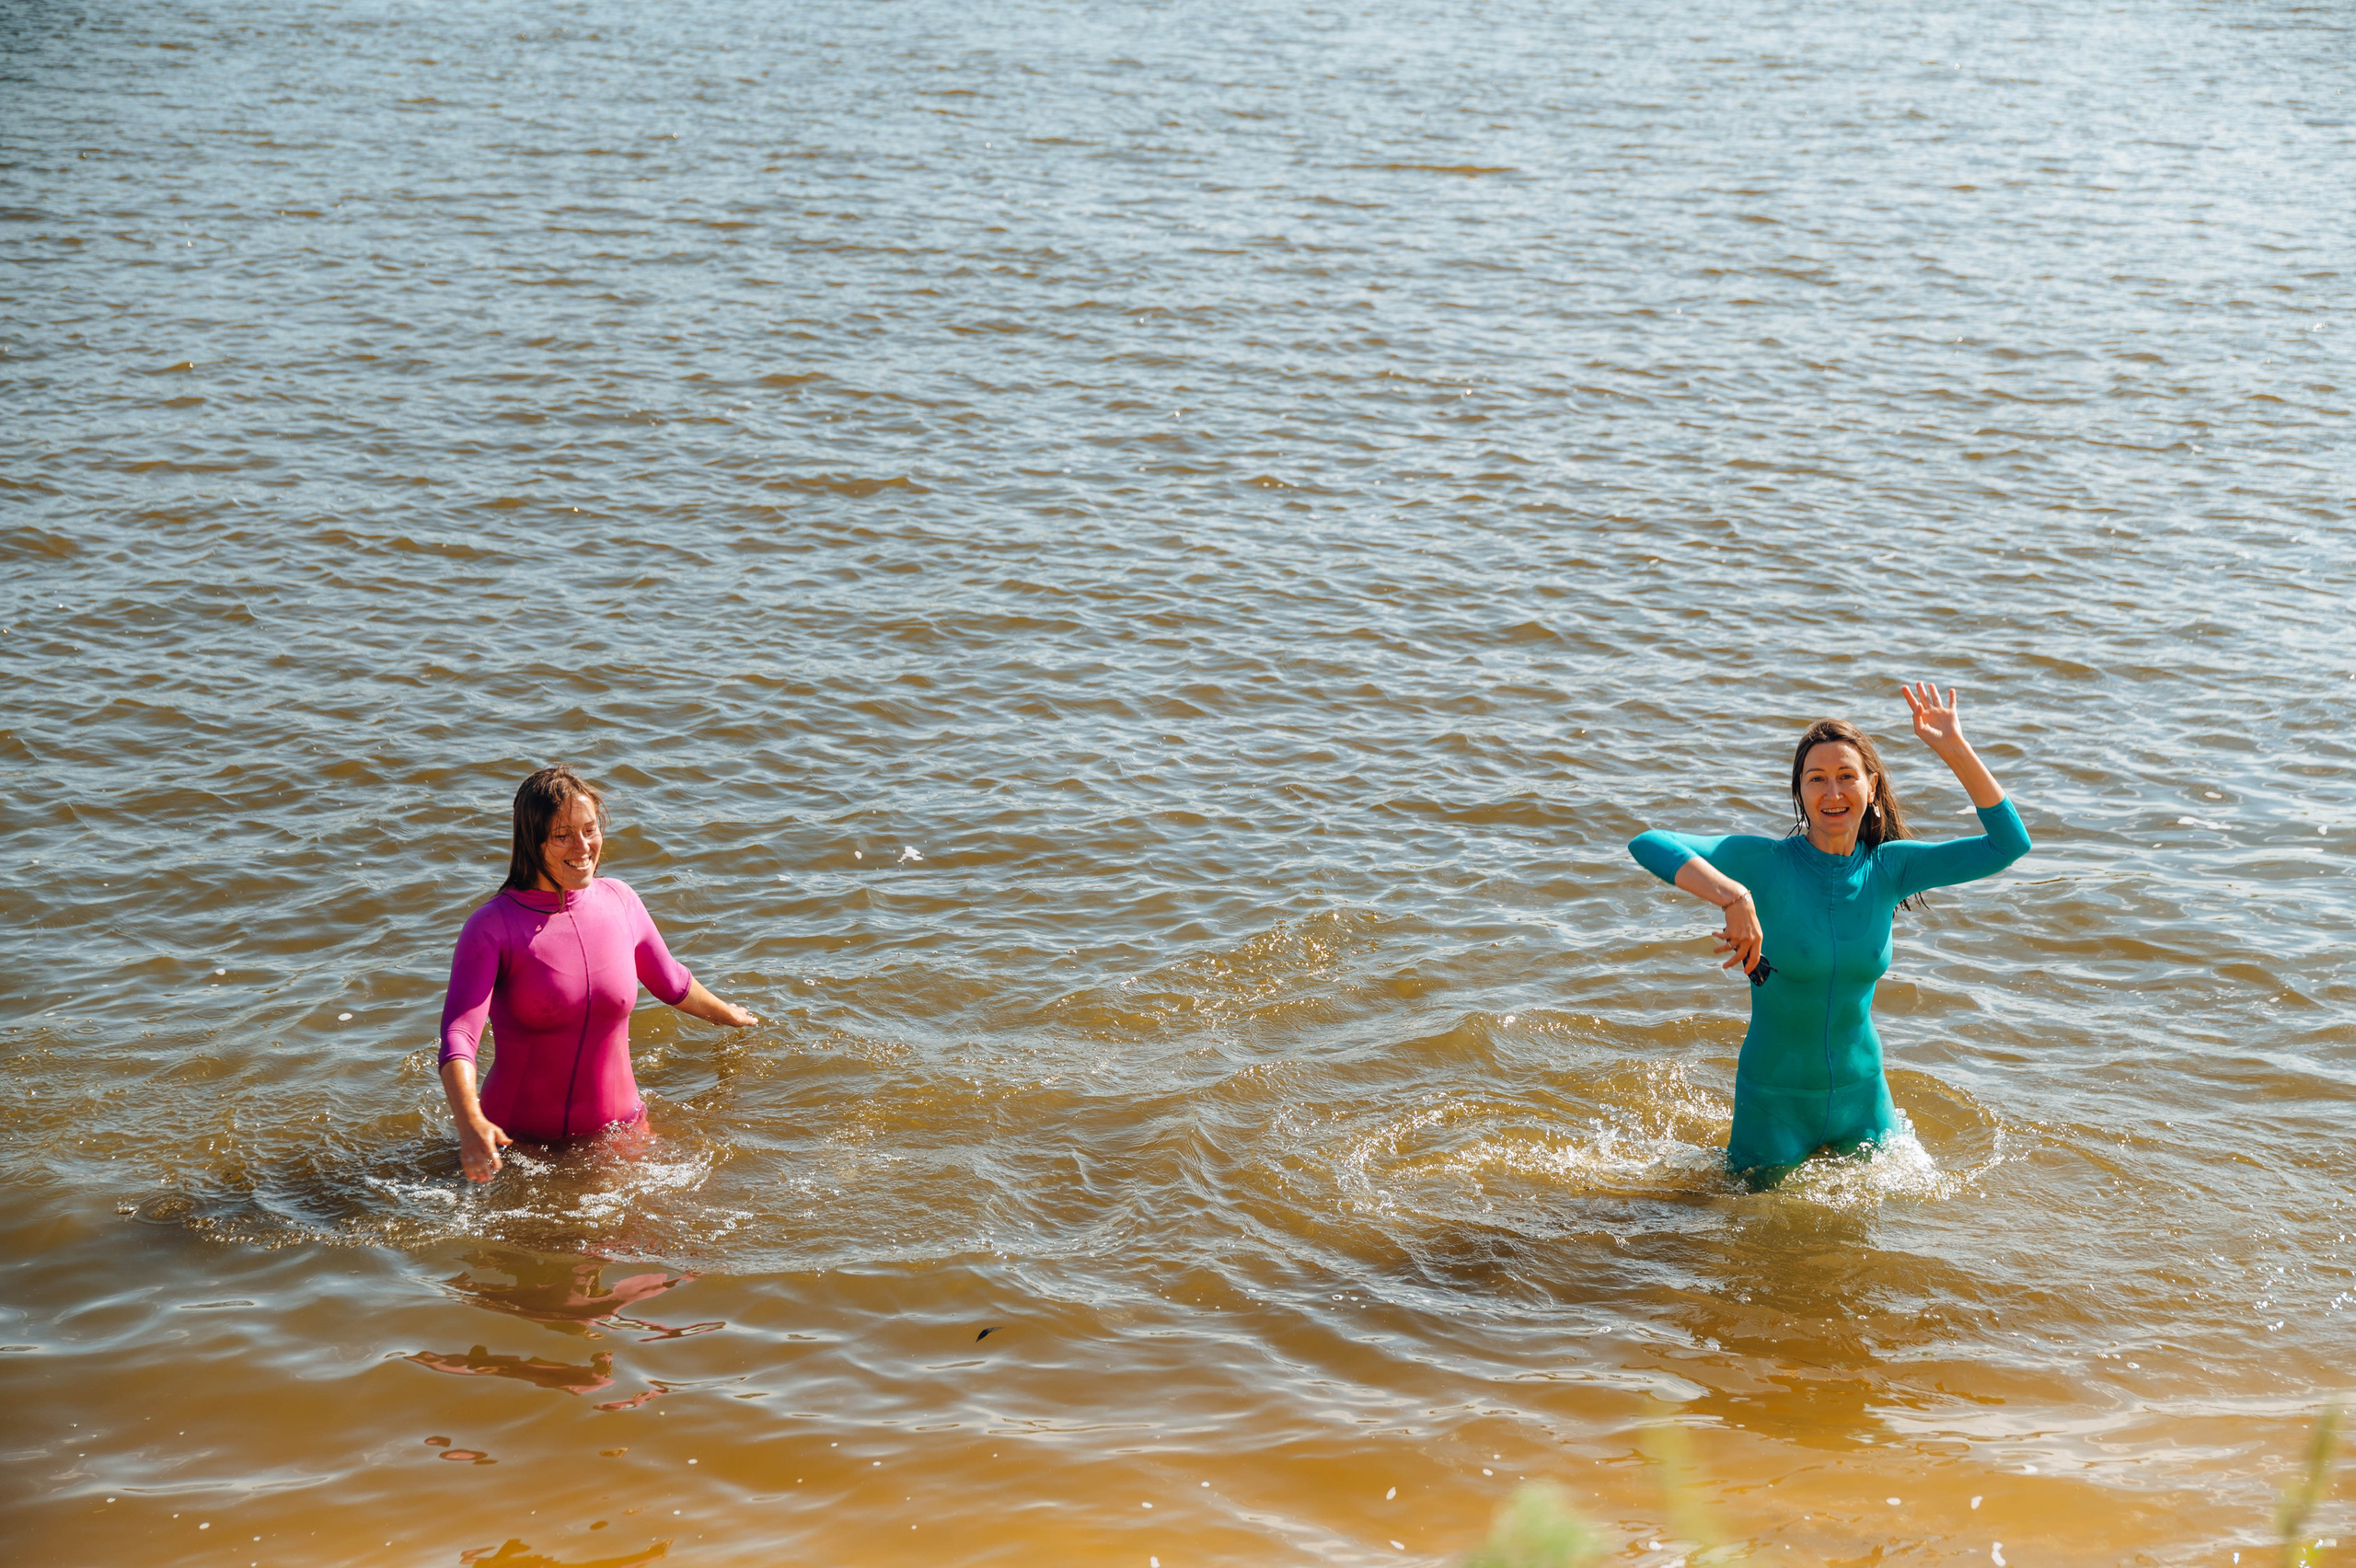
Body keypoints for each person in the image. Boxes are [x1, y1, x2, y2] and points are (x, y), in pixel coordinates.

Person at [1626, 683, 2030, 1187]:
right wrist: (1732, 896)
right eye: (1816, 779)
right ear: (1800, 792)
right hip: (1774, 1105)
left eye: (1846, 777)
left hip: (1865, 1102)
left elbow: (2008, 844)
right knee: (1750, 1250)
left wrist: (1953, 749)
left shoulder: (1893, 868)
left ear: (1871, 786)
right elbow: (1647, 842)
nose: (1832, 792)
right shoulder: (1765, 864)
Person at [436, 766, 757, 1181]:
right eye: (563, 835)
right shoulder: (492, 927)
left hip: (621, 1134)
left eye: (590, 830)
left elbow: (672, 982)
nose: (583, 846)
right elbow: (459, 1036)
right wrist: (469, 1123)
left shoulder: (620, 901)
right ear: (532, 842)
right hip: (517, 1147)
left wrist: (726, 1016)